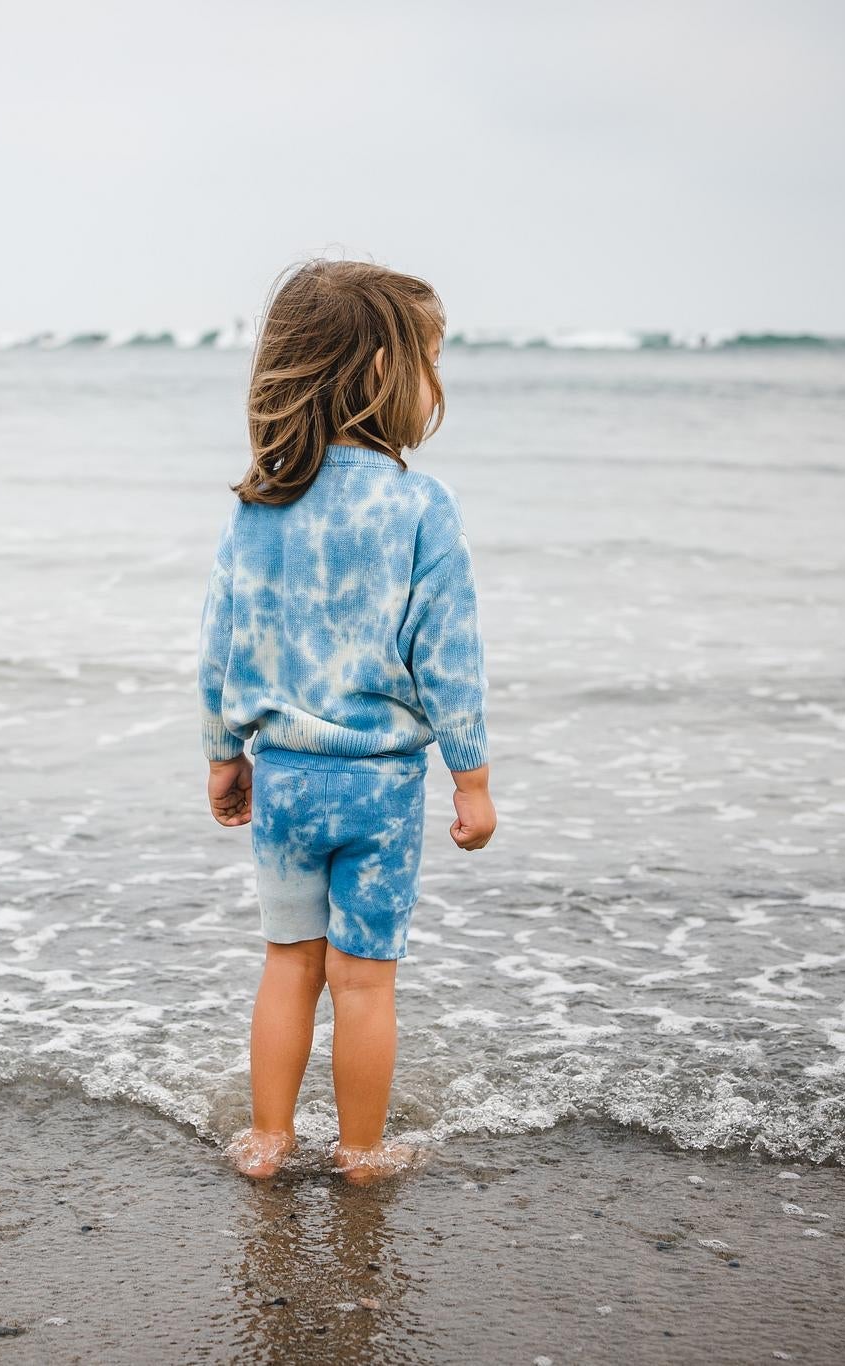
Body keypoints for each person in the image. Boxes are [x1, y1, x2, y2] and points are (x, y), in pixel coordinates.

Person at [196, 258, 496, 1184]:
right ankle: (361, 1152)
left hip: (286, 776)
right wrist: (473, 777)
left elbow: (222, 643)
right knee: (363, 982)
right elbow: (449, 655)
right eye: (429, 360)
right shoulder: (418, 505)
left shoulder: (261, 504)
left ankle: (269, 1140)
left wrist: (222, 753)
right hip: (381, 785)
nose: (435, 382)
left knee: (288, 965)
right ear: (379, 375)